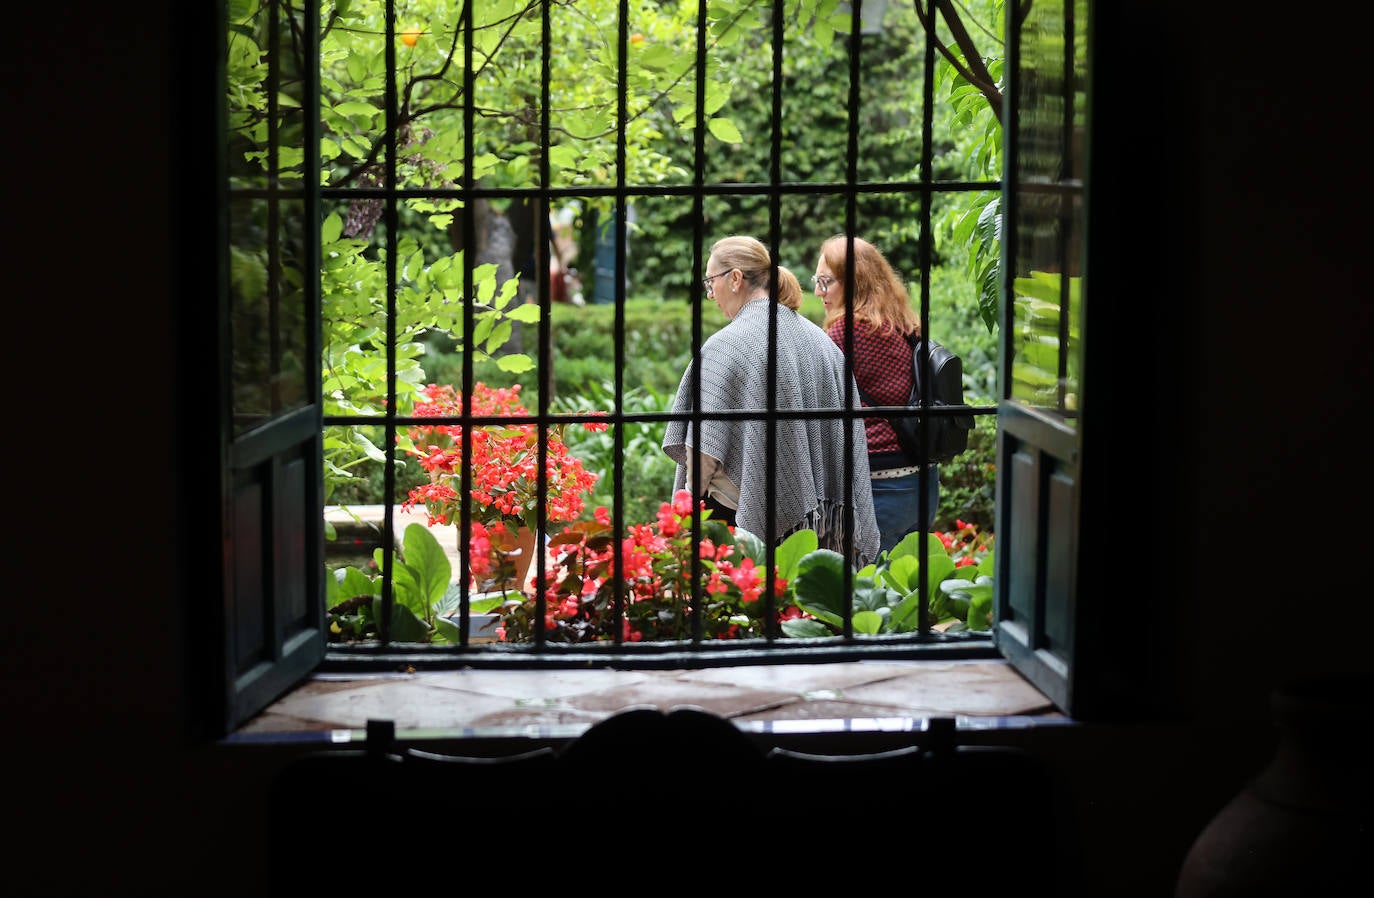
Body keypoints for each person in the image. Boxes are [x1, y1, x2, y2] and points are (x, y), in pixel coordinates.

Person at [662, 236, 880, 565]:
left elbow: (703, 451)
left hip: (734, 519)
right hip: (817, 526)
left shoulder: (726, 348)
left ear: (735, 278)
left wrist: (685, 508)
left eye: (710, 281)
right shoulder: (819, 341)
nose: (709, 294)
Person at [813, 234, 937, 554]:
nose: (817, 291)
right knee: (907, 592)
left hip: (880, 485)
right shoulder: (901, 322)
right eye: (817, 281)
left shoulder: (847, 330)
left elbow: (818, 400)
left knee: (867, 593)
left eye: (826, 281)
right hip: (922, 481)